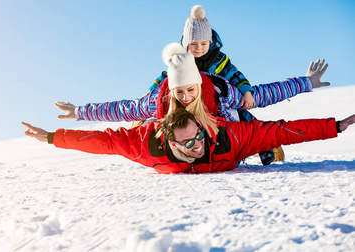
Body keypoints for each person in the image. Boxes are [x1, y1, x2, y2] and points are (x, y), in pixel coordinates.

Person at [54, 43, 329, 164]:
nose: (185, 98)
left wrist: (306, 83)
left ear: (199, 84)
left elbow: (266, 93)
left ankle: (268, 147)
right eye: (179, 92)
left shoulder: (221, 92)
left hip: (224, 136)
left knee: (246, 121)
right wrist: (79, 111)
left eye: (190, 90)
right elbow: (120, 108)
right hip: (188, 141)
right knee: (141, 121)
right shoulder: (159, 101)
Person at [21, 108, 355, 175]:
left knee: (261, 134)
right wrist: (51, 137)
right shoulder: (143, 144)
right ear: (170, 142)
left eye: (197, 137)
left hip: (236, 139)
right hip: (152, 123)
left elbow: (285, 129)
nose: (197, 146)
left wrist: (336, 125)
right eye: (188, 144)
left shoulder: (226, 136)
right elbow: (99, 140)